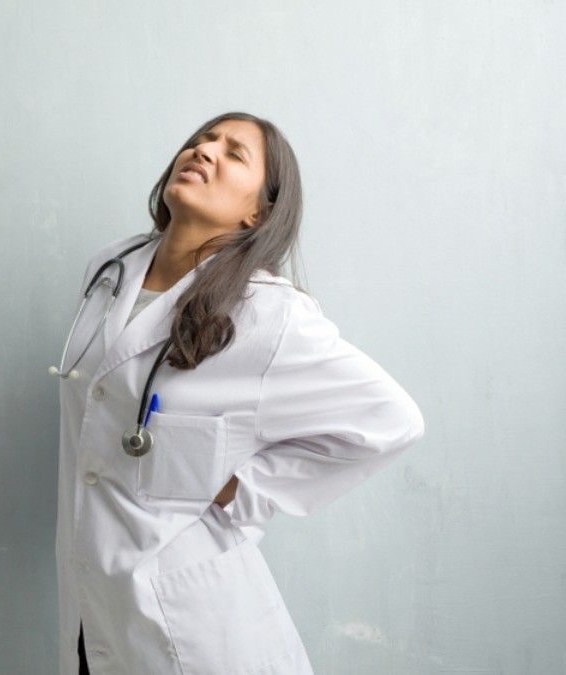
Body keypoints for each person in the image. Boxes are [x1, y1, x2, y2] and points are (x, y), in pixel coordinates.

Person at [54, 112, 426, 674]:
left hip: (195, 630)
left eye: (234, 153)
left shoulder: (268, 315)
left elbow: (392, 420)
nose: (204, 152)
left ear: (259, 212)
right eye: (201, 140)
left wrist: (247, 490)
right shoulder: (110, 271)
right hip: (93, 609)